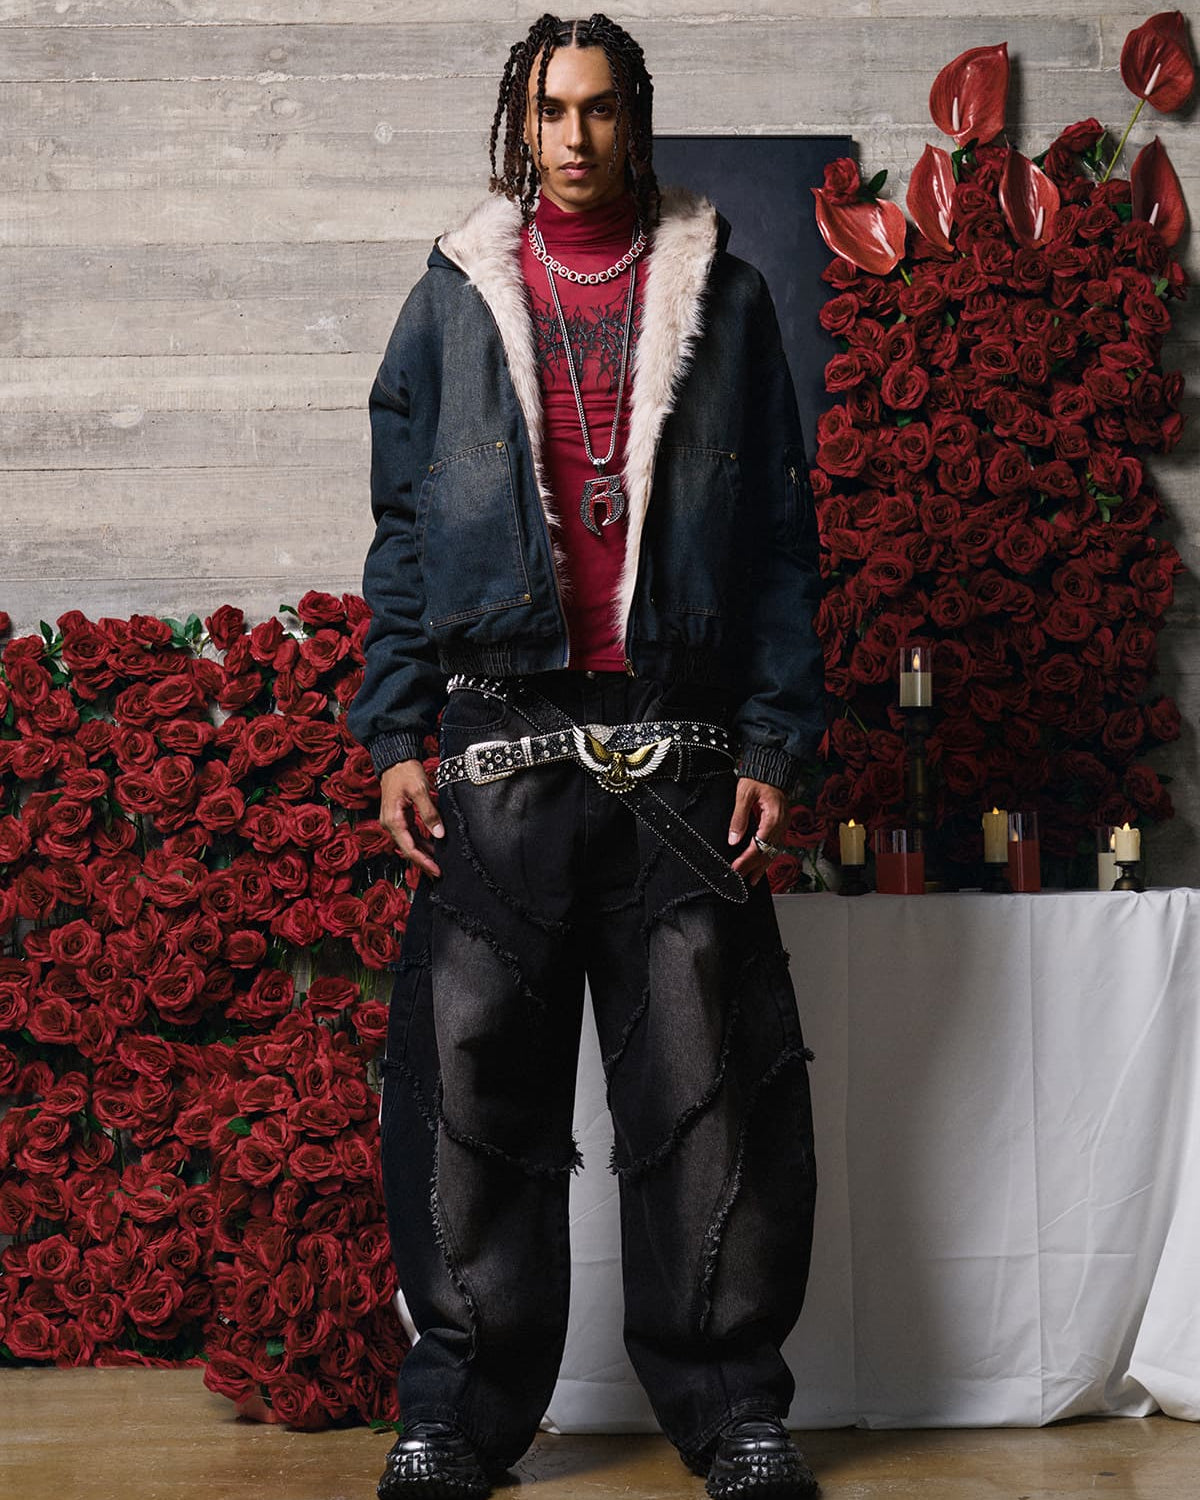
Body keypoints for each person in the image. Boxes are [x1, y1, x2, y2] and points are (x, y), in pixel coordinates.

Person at [346, 13, 823, 1499]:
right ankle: (460, 1416)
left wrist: (773, 739)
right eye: (551, 110)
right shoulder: (449, 302)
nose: (575, 137)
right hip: (497, 745)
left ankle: (736, 1410)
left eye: (601, 110)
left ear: (637, 119)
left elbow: (780, 548)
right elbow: (406, 536)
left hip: (680, 754)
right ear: (520, 120)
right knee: (473, 1091)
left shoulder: (728, 300)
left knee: (710, 1094)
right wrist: (394, 733)